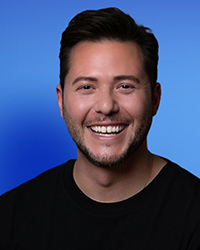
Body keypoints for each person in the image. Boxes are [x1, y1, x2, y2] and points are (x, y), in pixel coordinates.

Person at [0, 7, 200, 250]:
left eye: (125, 86)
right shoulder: (10, 216)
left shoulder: (193, 214)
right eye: (86, 87)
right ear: (61, 101)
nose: (106, 106)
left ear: (155, 99)